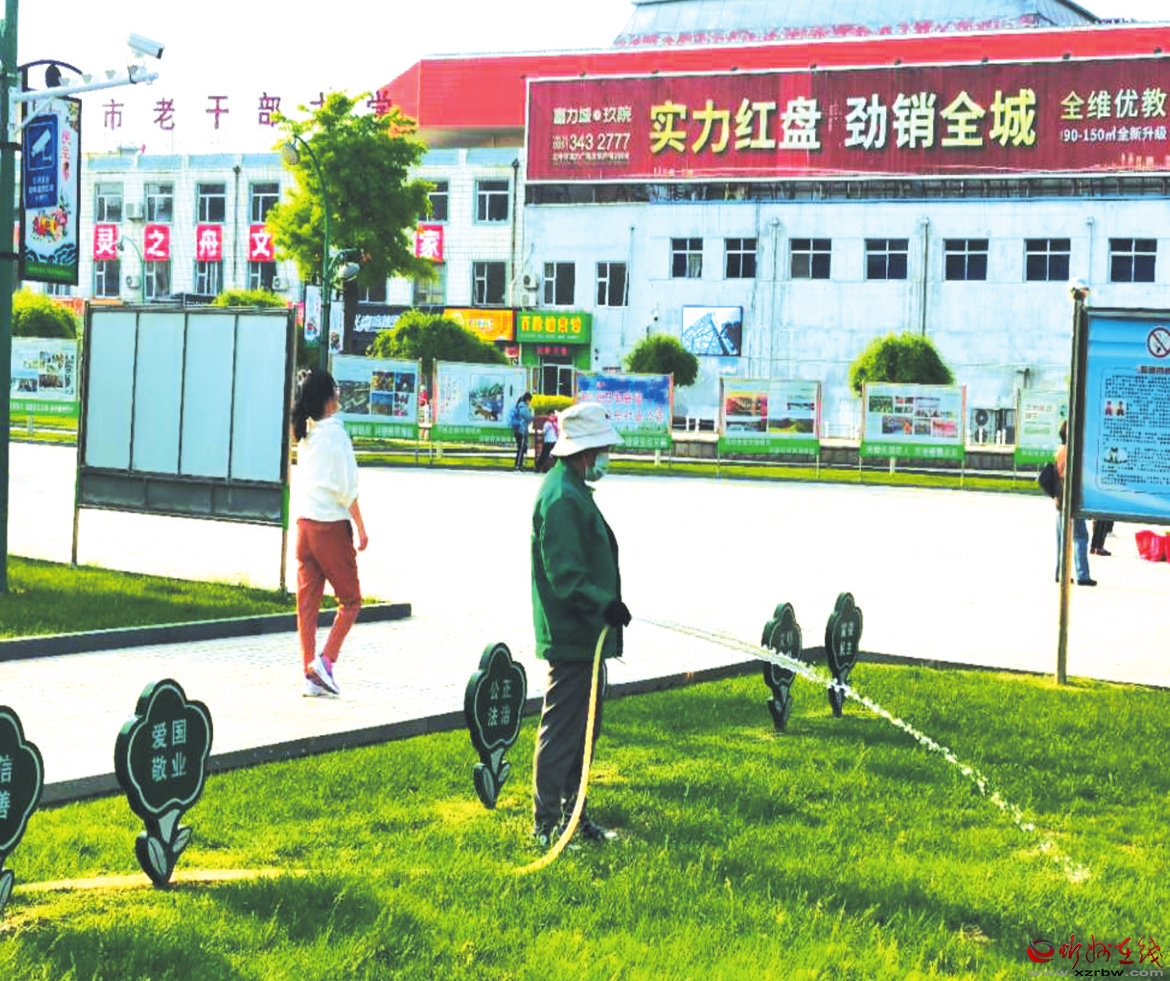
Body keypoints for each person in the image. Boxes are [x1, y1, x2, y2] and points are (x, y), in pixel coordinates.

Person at [530, 402, 630, 847]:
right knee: (563, 733)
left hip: (588, 637)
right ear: (586, 451)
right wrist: (604, 604)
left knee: (584, 730)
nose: (607, 456)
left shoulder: (573, 489)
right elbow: (566, 576)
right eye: (604, 448)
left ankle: (575, 815)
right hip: (572, 635)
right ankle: (547, 825)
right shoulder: (561, 498)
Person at [291, 368, 369, 696]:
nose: (339, 394)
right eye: (335, 390)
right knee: (351, 600)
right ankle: (325, 662)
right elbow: (347, 489)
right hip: (330, 528)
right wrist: (361, 528)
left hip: (304, 527)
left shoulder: (306, 434)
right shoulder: (336, 434)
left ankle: (310, 675)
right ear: (327, 399)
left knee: (307, 607)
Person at [1054, 420, 1094, 586]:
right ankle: (1082, 574)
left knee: (1062, 538)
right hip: (1072, 499)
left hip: (1059, 500)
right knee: (1080, 537)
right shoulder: (1074, 452)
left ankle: (1060, 573)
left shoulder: (1059, 451)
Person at [509, 392, 534, 471]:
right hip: (521, 430)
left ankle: (519, 465)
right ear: (527, 400)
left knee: (521, 448)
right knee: (521, 449)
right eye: (530, 400)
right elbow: (529, 418)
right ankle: (518, 465)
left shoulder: (519, 406)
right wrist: (531, 412)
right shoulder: (523, 408)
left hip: (519, 430)